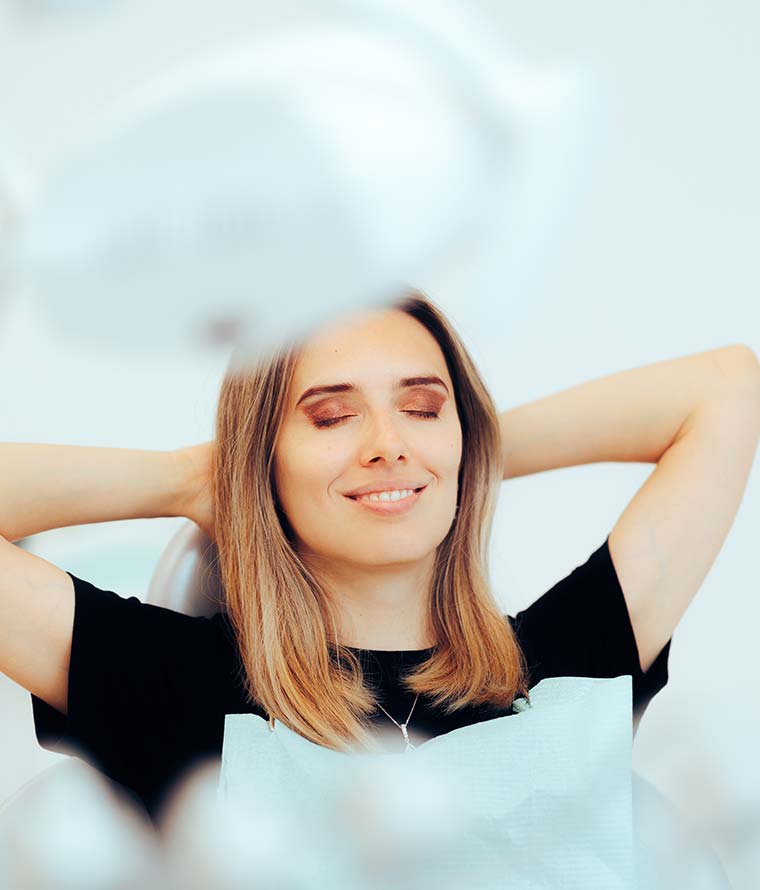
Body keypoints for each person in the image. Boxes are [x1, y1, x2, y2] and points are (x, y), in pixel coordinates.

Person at [2, 287, 758, 834]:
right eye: (332, 416)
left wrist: (464, 453)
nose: (387, 442)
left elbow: (727, 389)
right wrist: (195, 478)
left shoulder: (571, 661)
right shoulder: (169, 683)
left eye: (423, 408)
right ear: (264, 458)